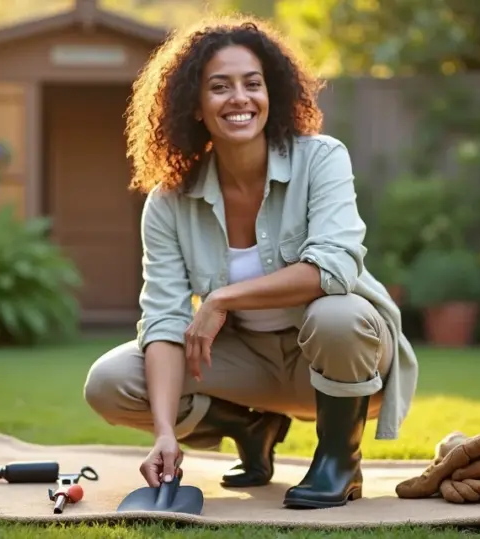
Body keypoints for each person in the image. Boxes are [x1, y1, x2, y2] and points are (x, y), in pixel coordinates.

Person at [82, 15, 419, 510]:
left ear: (272, 94)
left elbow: (335, 269)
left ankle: (338, 461)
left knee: (336, 311)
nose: (239, 98)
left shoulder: (321, 158)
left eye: (252, 84)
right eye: (219, 87)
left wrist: (222, 298)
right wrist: (163, 432)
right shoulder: (169, 202)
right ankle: (249, 426)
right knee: (111, 383)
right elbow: (164, 318)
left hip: (341, 359)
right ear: (194, 106)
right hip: (246, 362)